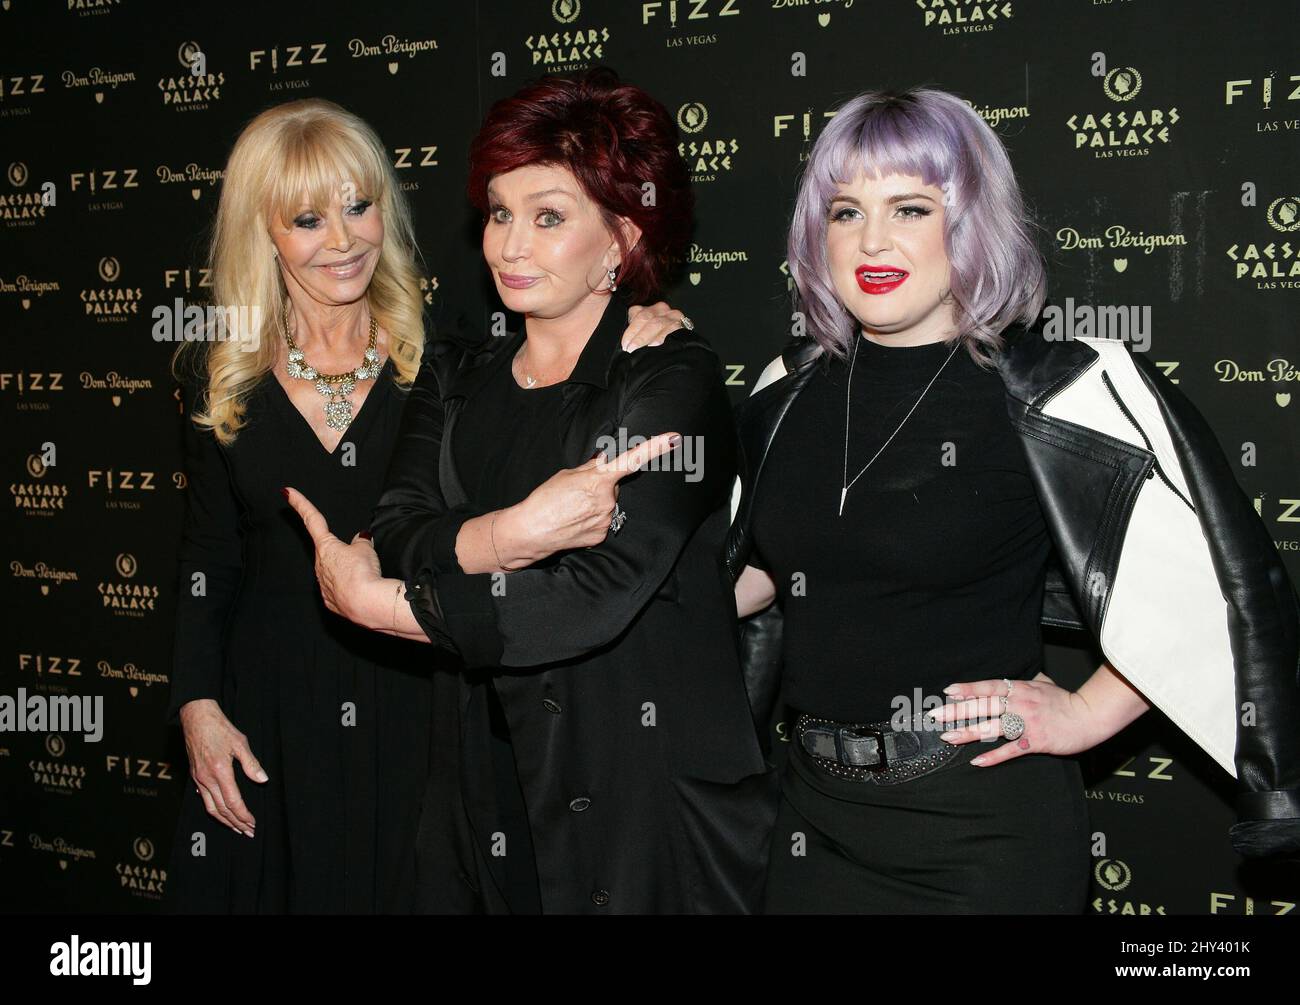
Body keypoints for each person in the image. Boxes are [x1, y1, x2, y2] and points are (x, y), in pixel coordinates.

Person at [721, 87, 1300, 913]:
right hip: (814, 817)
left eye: (911, 207)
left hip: (982, 829)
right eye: (845, 212)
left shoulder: (1057, 396)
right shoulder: (787, 392)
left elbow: (1224, 580)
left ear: (970, 223)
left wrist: (1089, 711)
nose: (872, 239)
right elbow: (760, 574)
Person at [166, 96, 686, 913]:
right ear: (261, 231)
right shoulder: (219, 377)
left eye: (359, 206)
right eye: (307, 218)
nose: (342, 240)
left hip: (419, 693)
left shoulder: (443, 355)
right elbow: (208, 557)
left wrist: (640, 311)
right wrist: (198, 707)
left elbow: (563, 355)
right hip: (268, 708)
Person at [286, 68, 775, 914]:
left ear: (622, 237)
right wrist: (515, 532)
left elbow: (591, 595)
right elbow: (400, 530)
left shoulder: (668, 378)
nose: (509, 245)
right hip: (481, 784)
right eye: (501, 213)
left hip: (642, 801)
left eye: (549, 217)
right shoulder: (452, 373)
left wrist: (386, 608)